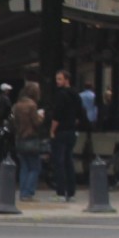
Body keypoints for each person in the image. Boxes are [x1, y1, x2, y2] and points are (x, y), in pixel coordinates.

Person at [49, 69, 81, 202]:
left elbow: (57, 114)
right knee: (69, 161)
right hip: (71, 131)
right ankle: (71, 192)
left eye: (60, 79)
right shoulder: (76, 94)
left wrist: (52, 130)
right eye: (57, 79)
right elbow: (79, 114)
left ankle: (61, 192)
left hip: (61, 131)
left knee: (59, 162)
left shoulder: (61, 95)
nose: (57, 82)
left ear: (67, 79)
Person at [11, 81, 45, 201]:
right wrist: (41, 116)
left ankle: (22, 192)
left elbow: (14, 122)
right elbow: (36, 123)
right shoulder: (32, 105)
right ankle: (28, 193)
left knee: (24, 167)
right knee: (35, 167)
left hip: (19, 138)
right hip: (31, 138)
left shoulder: (18, 105)